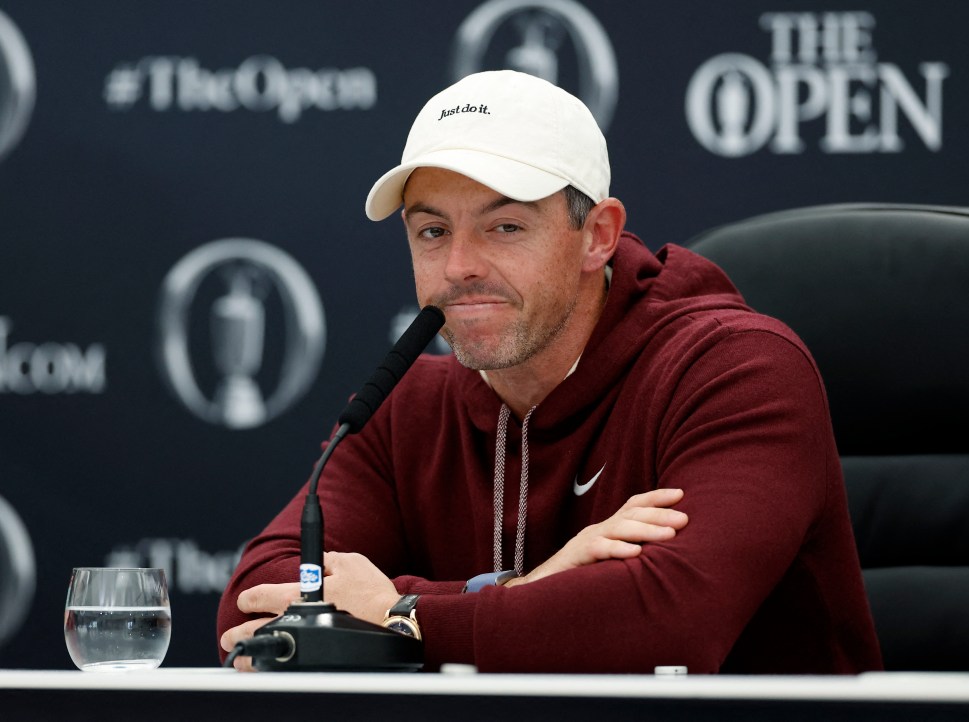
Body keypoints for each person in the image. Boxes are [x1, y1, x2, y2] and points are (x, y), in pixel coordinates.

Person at [217, 70, 882, 674]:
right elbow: (253, 608)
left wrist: (401, 614)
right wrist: (519, 592)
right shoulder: (401, 408)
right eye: (432, 232)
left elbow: (669, 624)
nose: (458, 268)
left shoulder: (735, 372)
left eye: (504, 227)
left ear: (597, 235)